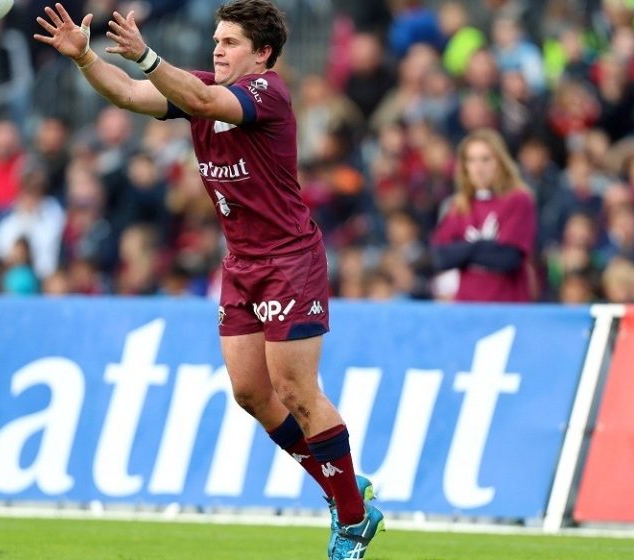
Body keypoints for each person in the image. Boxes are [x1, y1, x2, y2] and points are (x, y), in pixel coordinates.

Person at [33, 2, 383, 558]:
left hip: (288, 259)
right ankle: (345, 493)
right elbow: (129, 93)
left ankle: (353, 519)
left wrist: (148, 55)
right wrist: (83, 59)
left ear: (262, 52)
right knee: (250, 392)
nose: (217, 49)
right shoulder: (196, 87)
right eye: (215, 40)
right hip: (241, 262)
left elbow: (199, 100)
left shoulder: (269, 93)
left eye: (230, 42)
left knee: (294, 390)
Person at [431, 128, 537, 302]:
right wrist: (481, 247)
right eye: (471, 160)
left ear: (500, 162)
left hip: (508, 306)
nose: (478, 168)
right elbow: (440, 257)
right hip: (467, 307)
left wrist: (463, 251)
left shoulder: (519, 200)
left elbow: (508, 258)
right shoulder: (459, 206)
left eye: (486, 159)